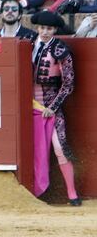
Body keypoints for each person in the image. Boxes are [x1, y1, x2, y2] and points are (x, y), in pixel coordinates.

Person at [30, 11, 81, 206]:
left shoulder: (61, 50)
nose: (44, 32)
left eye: (49, 29)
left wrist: (52, 108)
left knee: (60, 148)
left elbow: (68, 84)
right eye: (42, 28)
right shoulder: (27, 44)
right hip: (27, 106)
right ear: (37, 27)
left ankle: (72, 193)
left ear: (55, 30)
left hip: (50, 106)